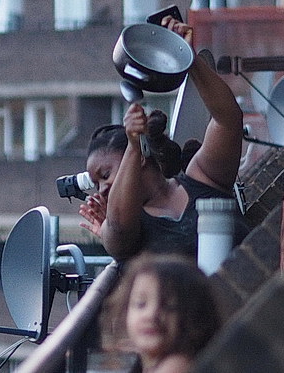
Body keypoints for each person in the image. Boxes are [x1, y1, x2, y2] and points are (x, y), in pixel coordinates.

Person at [79, 16, 249, 261]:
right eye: (97, 185)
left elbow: (228, 120)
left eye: (105, 175)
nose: (102, 189)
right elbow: (117, 227)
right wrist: (133, 148)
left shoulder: (203, 179)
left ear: (142, 156)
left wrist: (189, 59)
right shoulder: (127, 231)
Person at [102, 253, 220, 373]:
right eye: (140, 304)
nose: (151, 315)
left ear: (195, 316)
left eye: (168, 306)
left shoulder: (175, 366)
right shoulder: (156, 361)